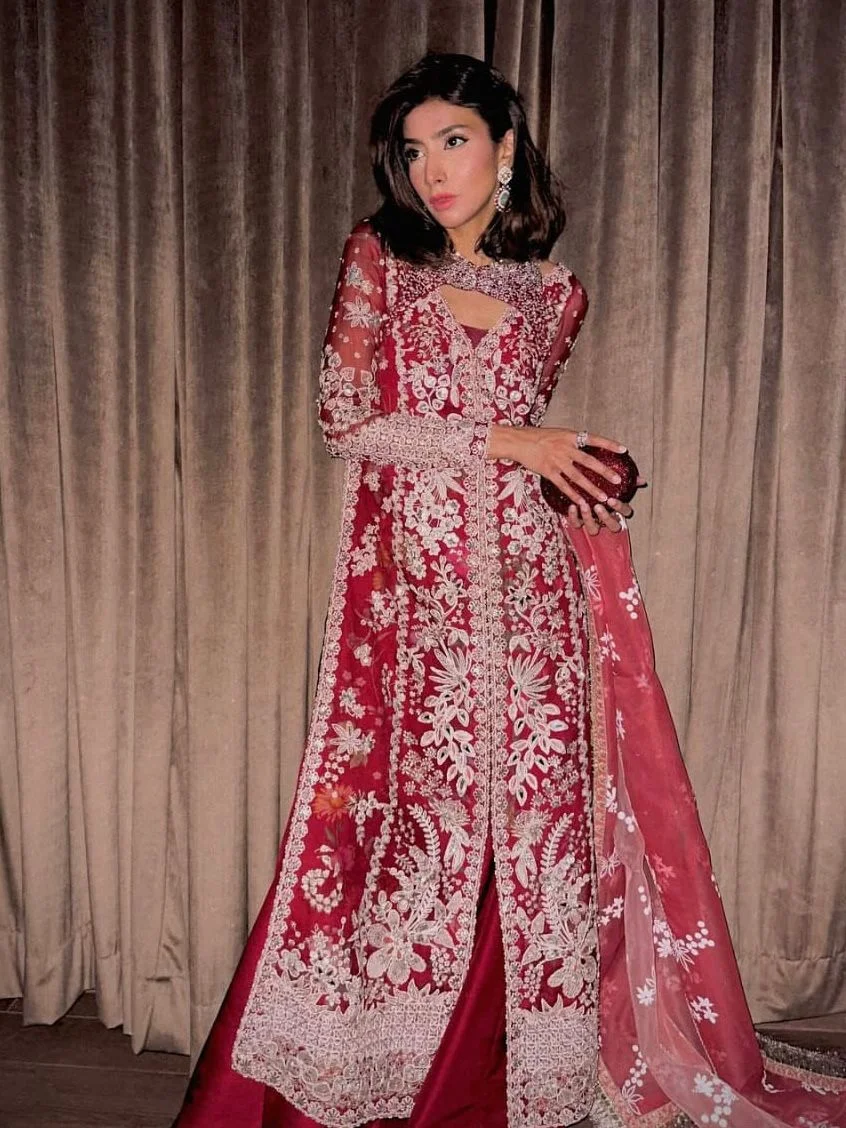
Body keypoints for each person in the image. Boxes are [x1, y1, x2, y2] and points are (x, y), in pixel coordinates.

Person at [172, 52, 846, 1128]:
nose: (432, 170)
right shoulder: (380, 262)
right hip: (419, 607)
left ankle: (513, 1081)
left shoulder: (556, 293)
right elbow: (347, 420)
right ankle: (383, 1073)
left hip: (536, 600)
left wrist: (581, 476)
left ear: (505, 147)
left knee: (532, 837)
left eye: (454, 142)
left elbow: (532, 454)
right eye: (413, 151)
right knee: (412, 834)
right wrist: (513, 440)